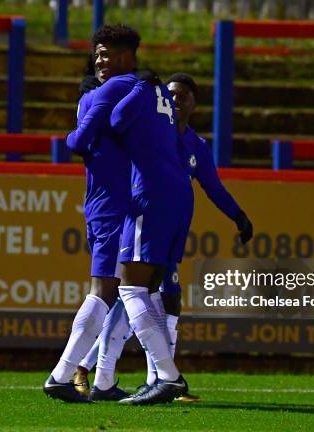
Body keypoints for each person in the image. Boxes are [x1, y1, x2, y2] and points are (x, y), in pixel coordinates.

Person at [74, 73, 253, 403]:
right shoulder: (154, 133)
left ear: (195, 103)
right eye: (172, 95)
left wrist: (238, 215)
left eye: (184, 95)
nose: (177, 100)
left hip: (171, 226)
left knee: (164, 297)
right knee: (134, 293)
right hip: (140, 218)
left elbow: (213, 186)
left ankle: (155, 378)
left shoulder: (197, 145)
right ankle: (101, 371)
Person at [43, 24, 142, 404]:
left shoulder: (117, 92)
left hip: (119, 204)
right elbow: (78, 141)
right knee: (108, 291)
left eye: (106, 53)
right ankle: (63, 374)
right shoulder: (117, 91)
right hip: (112, 205)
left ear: (126, 56)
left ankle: (102, 380)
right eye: (97, 54)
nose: (99, 60)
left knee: (125, 292)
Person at [106, 75, 194, 405]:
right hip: (171, 208)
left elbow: (114, 122)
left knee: (129, 290)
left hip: (149, 204)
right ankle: (152, 377)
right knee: (146, 293)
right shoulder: (166, 129)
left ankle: (166, 377)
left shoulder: (145, 105)